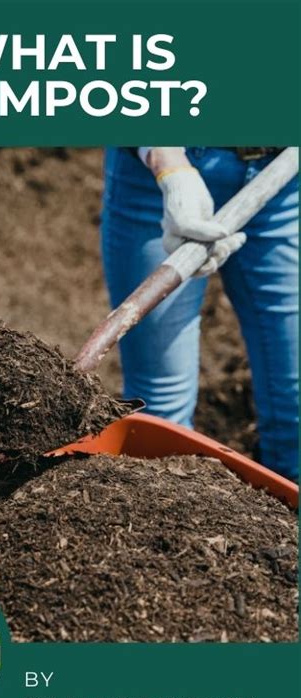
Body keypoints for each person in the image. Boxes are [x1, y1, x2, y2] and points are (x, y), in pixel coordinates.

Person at [101, 147, 299, 481]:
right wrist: (169, 166)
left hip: (283, 174)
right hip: (163, 178)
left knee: (294, 403)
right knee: (161, 414)